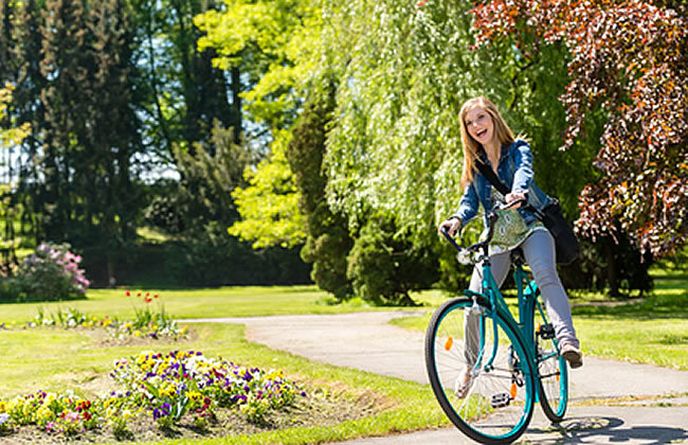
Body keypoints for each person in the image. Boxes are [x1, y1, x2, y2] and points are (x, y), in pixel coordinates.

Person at [438, 96, 582, 396]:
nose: (477, 126)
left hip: (531, 226)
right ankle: (469, 365)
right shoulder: (475, 166)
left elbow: (524, 173)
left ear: (493, 118)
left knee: (545, 275)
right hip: (498, 238)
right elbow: (469, 202)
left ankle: (567, 341)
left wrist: (518, 192)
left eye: (481, 118)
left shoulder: (518, 149)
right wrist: (456, 220)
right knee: (476, 300)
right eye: (470, 122)